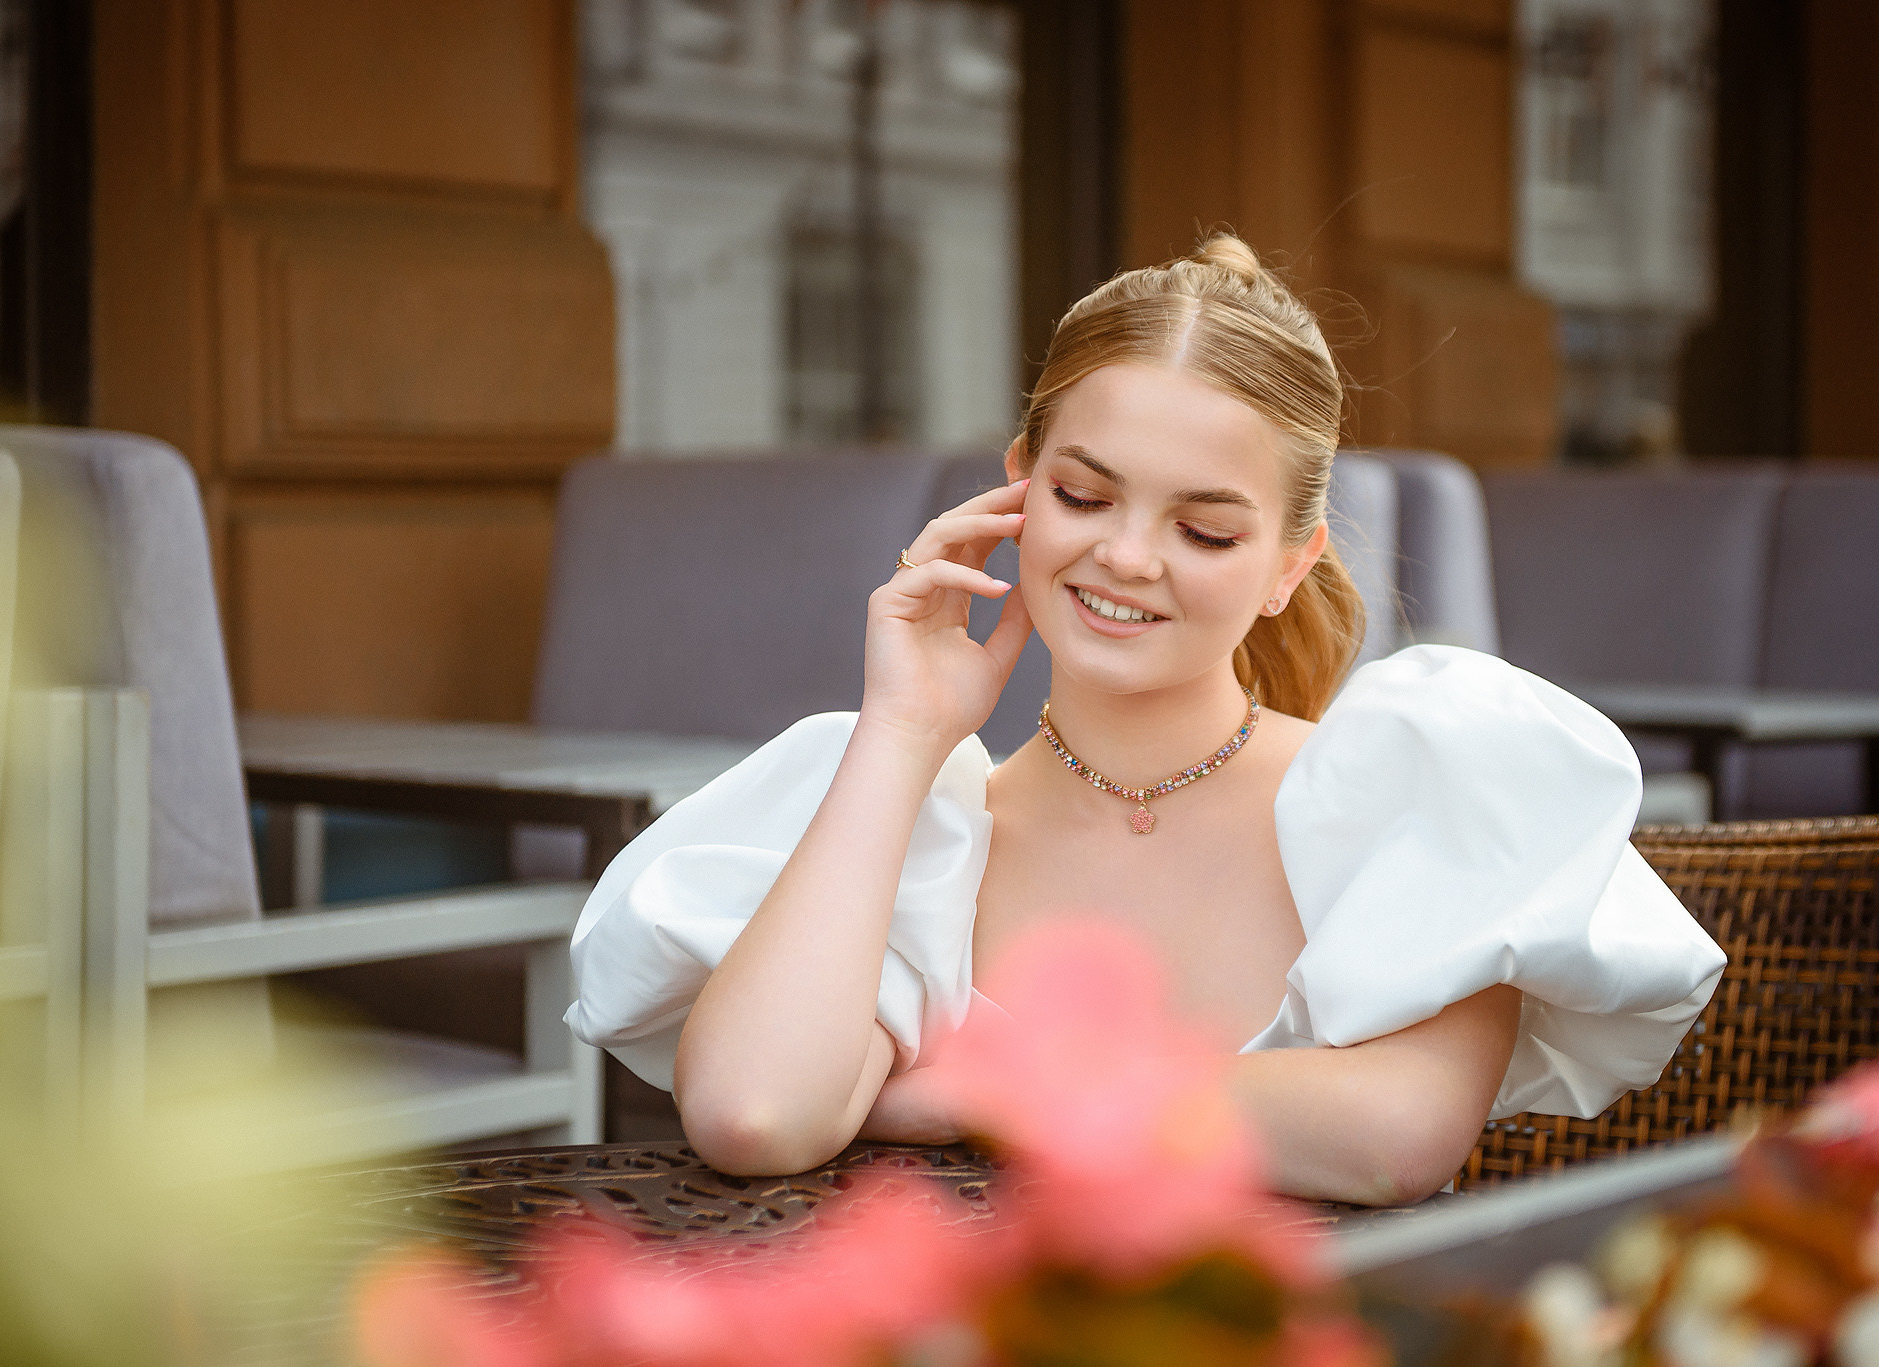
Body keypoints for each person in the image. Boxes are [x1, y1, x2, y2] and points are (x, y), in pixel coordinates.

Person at [565, 235, 1726, 1204]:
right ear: (1019, 487)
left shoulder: (1415, 794)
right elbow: (754, 1111)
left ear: (1287, 564)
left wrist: (985, 1087)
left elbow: (1391, 1135)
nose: (1124, 555)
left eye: (1204, 529)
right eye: (1082, 494)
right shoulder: (923, 826)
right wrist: (899, 733)